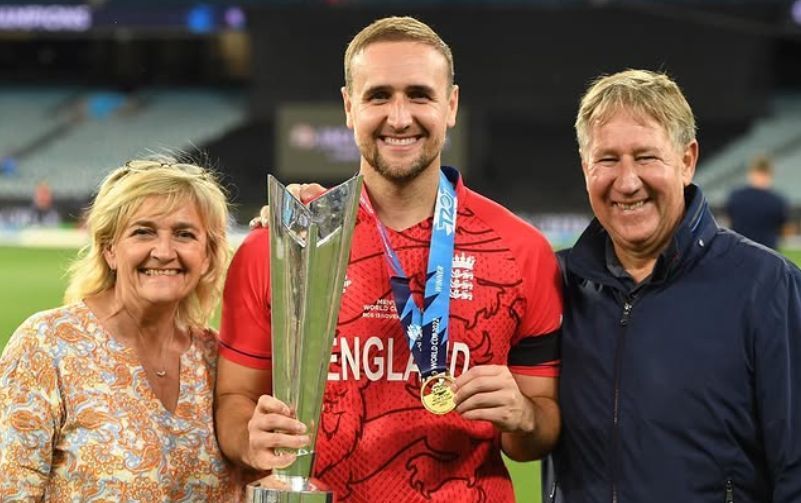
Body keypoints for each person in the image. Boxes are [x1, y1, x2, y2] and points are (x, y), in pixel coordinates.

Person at [215, 16, 563, 502]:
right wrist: (247, 438)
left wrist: (525, 417)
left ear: (452, 105)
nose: (399, 118)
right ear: (348, 107)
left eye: (419, 94)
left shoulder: (522, 253)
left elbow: (539, 432)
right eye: (378, 96)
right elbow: (233, 401)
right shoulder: (284, 247)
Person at [547, 69, 801, 502]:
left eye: (646, 157)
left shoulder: (768, 287)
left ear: (687, 160)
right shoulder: (555, 284)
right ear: (585, 166)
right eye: (607, 159)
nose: (627, 182)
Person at [0, 158, 238, 500]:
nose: (164, 251)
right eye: (143, 232)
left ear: (208, 256)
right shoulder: (47, 345)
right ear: (110, 249)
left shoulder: (217, 359)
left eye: (184, 234)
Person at [725, 155, 789, 250]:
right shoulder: (777, 201)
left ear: (751, 172)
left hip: (739, 253)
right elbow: (783, 231)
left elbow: (729, 223)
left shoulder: (736, 196)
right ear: (769, 174)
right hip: (768, 255)